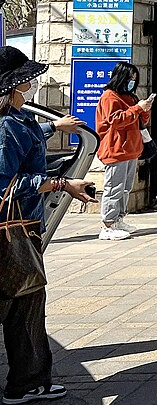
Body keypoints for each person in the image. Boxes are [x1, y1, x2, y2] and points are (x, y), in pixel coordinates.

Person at [0, 47, 94, 403]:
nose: (32, 84)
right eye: (26, 80)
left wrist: (53, 125)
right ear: (11, 87)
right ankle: (25, 382)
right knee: (23, 300)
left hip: (23, 226)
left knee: (27, 302)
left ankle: (30, 381)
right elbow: (3, 182)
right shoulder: (6, 125)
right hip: (12, 231)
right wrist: (61, 184)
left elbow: (28, 133)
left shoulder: (17, 118)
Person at [95, 62, 154, 241]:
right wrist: (137, 109)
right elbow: (116, 120)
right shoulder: (109, 97)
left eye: (134, 80)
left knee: (125, 188)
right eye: (130, 79)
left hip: (130, 149)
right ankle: (108, 224)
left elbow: (138, 119)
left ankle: (119, 219)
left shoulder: (131, 97)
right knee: (114, 187)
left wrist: (144, 109)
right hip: (115, 149)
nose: (132, 83)